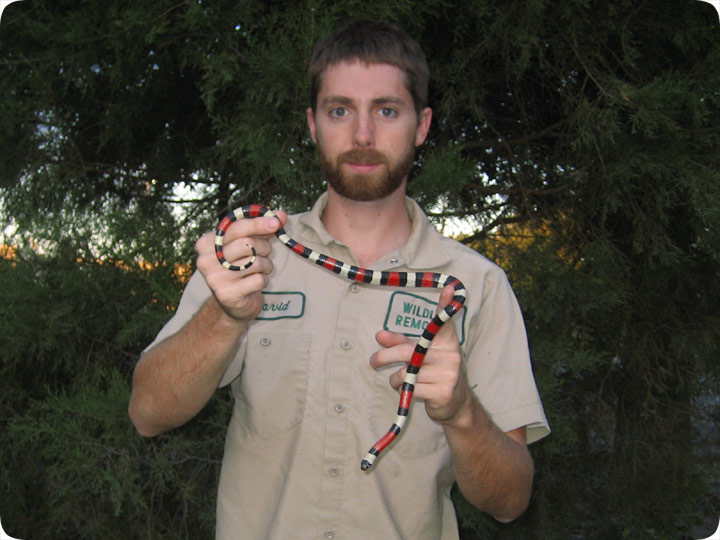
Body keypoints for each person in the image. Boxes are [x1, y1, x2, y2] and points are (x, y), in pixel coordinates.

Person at [129, 19, 550, 540]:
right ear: (313, 125)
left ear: (421, 126)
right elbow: (147, 414)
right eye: (339, 110)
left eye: (387, 110)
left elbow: (510, 502)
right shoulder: (253, 256)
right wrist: (223, 316)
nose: (363, 135)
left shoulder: (477, 285)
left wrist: (462, 411)